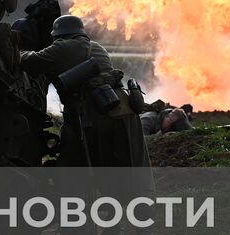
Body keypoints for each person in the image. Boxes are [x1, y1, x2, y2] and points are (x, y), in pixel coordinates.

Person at [19, 15, 149, 168]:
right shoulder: (96, 46)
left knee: (83, 162)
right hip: (123, 108)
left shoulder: (62, 47)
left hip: (96, 114)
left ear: (58, 35)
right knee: (126, 165)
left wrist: (18, 51)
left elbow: (29, 61)